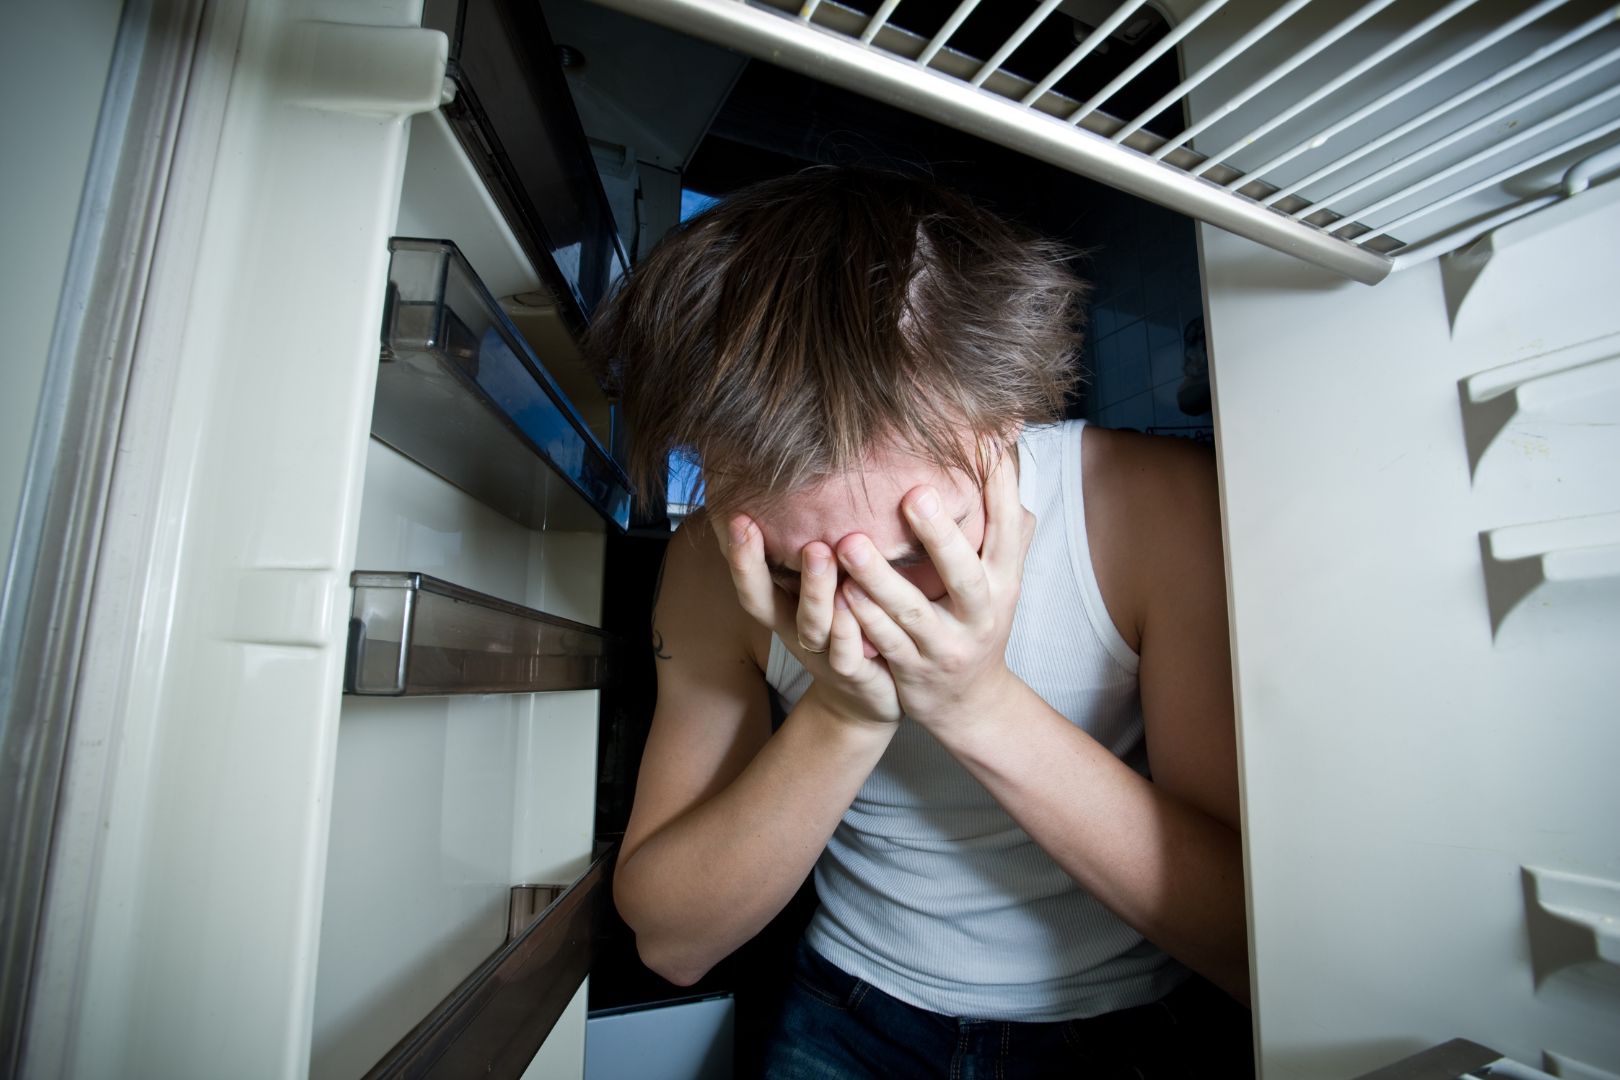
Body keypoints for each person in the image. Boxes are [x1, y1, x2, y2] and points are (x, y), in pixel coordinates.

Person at [587, 168, 1251, 1077]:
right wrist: (844, 712)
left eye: (910, 558)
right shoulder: (714, 563)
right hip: (850, 1011)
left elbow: (1248, 940)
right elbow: (673, 942)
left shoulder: (1154, 513)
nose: (862, 611)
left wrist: (975, 703)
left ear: (1007, 419)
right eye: (798, 570)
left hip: (1133, 1019)